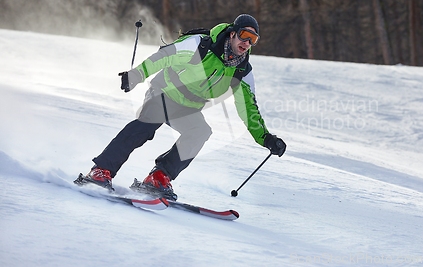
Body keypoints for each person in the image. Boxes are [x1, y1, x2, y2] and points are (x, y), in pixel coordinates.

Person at [79, 14, 286, 200]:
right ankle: (101, 170)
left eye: (253, 40)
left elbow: (249, 110)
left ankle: (159, 177)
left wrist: (266, 138)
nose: (247, 43)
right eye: (244, 35)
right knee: (146, 125)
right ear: (232, 33)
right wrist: (136, 75)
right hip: (164, 91)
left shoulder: (242, 72)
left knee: (200, 131)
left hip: (187, 107)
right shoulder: (200, 46)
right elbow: (163, 57)